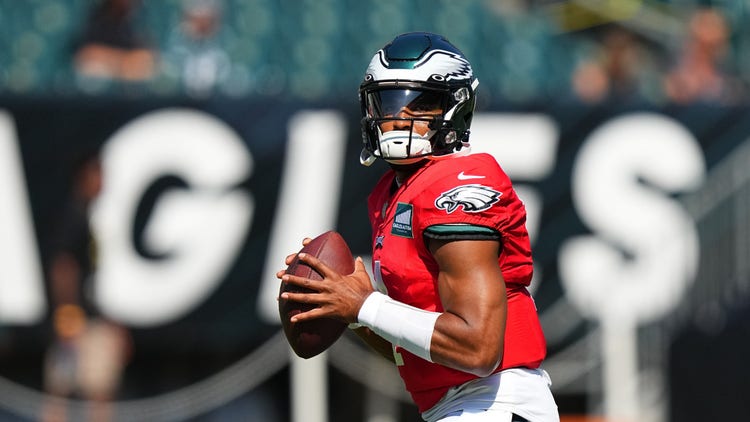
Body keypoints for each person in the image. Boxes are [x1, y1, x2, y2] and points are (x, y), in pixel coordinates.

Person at [277, 32, 559, 422]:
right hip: (458, 406)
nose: (399, 116)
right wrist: (350, 309)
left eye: (419, 103)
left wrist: (366, 304)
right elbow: (416, 346)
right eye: (388, 101)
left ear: (455, 107)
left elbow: (478, 349)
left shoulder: (456, 183)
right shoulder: (393, 194)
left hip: (494, 402)